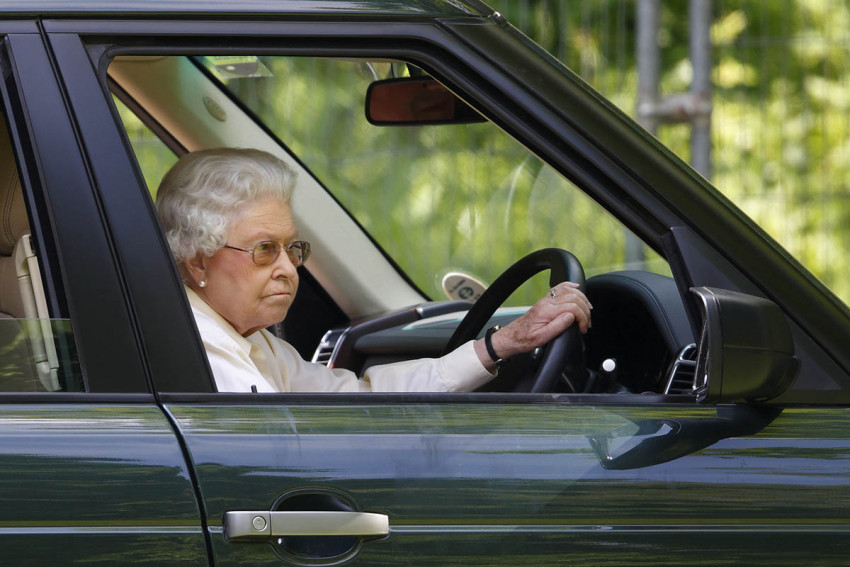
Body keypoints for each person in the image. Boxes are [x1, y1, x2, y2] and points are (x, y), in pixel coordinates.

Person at [156, 148, 592, 393]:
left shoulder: (252, 341)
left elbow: (357, 400)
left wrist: (501, 344)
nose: (289, 268)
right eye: (265, 250)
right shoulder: (198, 348)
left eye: (293, 248)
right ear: (198, 260)